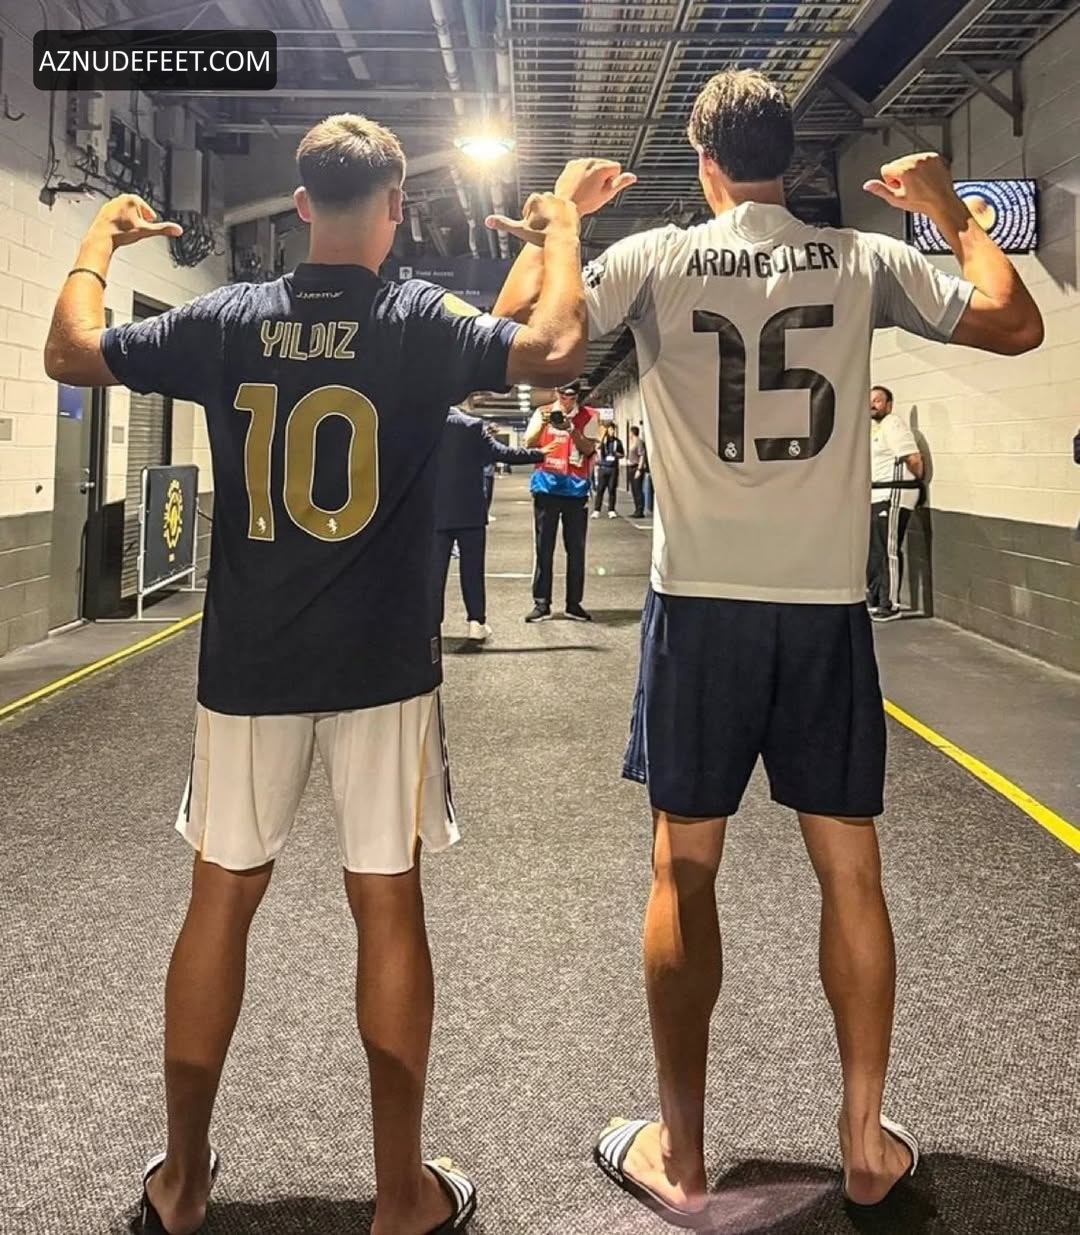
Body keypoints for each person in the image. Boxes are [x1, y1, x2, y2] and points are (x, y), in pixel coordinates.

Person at [490, 69, 1041, 1225]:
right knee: (852, 871)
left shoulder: (657, 257)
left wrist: (562, 221)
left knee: (683, 871)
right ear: (791, 160)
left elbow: (521, 341)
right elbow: (1014, 318)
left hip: (699, 608)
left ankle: (684, 1155)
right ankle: (864, 1143)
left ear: (704, 163)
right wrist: (954, 209)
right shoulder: (862, 258)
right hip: (825, 606)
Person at [44, 116, 602, 1235]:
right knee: (386, 905)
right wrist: (563, 231)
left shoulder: (226, 319)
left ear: (300, 205)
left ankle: (183, 1183)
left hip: (249, 665)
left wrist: (99, 239)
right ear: (396, 207)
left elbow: (71, 351)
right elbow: (550, 347)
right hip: (382, 667)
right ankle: (400, 1195)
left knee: (220, 901)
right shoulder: (415, 319)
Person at [433, 407, 546, 642]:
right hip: (470, 511)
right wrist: (540, 454)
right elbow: (502, 453)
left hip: (435, 511)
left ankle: (431, 625)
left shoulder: (424, 424)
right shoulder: (473, 426)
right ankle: (476, 622)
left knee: (433, 573)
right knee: (472, 570)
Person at [521, 381, 600, 622]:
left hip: (576, 490)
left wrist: (571, 429)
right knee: (543, 548)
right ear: (557, 393)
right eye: (564, 396)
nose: (568, 401)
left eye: (572, 396)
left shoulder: (589, 416)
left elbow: (589, 449)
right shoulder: (543, 412)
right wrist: (545, 423)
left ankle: (574, 604)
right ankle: (541, 603)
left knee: (576, 549)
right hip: (546, 486)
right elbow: (529, 443)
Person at [867, 385, 924, 621]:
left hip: (894, 493)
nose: (872, 404)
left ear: (889, 405)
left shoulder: (893, 424)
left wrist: (915, 483)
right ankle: (875, 598)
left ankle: (890, 604)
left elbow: (914, 459)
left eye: (878, 400)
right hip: (876, 494)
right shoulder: (873, 428)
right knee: (875, 550)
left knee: (887, 549)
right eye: (870, 400)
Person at [592, 421, 625, 517]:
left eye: (613, 429)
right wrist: (603, 436)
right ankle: (597, 510)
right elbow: (597, 447)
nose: (612, 431)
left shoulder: (617, 442)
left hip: (613, 468)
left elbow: (622, 454)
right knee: (600, 490)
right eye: (610, 429)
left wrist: (617, 455)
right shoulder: (603, 441)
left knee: (612, 489)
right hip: (603, 468)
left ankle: (611, 510)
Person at [627, 424, 647, 518]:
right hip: (631, 467)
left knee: (638, 489)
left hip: (636, 467)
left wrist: (639, 469)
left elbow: (642, 455)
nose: (629, 434)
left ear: (632, 433)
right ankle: (636, 510)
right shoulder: (632, 442)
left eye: (630, 432)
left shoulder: (638, 442)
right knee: (634, 490)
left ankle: (640, 510)